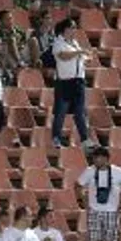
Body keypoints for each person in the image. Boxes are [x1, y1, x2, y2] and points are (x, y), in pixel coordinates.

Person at [76, 146, 121, 241]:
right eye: (94, 158)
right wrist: (83, 201)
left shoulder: (118, 172)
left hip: (111, 211)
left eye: (97, 158)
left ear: (105, 159)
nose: (95, 161)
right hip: (94, 211)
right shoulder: (89, 171)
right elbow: (78, 185)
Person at [51, 17, 94, 149]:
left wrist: (87, 58)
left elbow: (80, 58)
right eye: (71, 27)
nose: (74, 30)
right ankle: (56, 137)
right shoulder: (58, 42)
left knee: (80, 111)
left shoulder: (74, 43)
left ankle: (85, 139)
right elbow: (63, 56)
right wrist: (80, 52)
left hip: (78, 81)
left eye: (75, 27)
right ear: (65, 29)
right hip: (65, 82)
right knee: (61, 111)